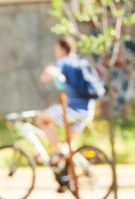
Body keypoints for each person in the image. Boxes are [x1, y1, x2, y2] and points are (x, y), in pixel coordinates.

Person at [35, 36, 97, 164]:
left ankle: (59, 150)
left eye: (56, 49)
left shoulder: (64, 62)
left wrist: (49, 71)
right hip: (88, 110)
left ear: (62, 49)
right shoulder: (81, 61)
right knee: (70, 146)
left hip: (73, 110)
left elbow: (46, 77)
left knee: (41, 119)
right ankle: (70, 177)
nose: (56, 52)